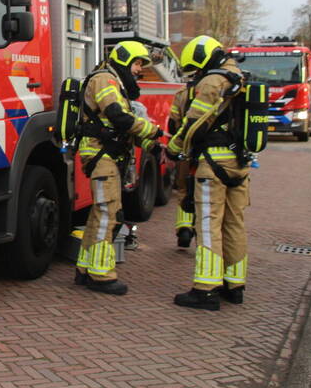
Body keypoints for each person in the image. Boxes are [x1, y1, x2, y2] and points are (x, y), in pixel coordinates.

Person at [166, 35, 250, 311]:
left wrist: (174, 147)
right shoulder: (239, 77)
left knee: (208, 224)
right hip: (239, 163)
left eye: (196, 68)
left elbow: (194, 122)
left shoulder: (213, 81)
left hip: (213, 164)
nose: (196, 75)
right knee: (234, 224)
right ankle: (234, 285)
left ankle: (205, 289)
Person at [74, 41, 163, 295]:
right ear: (124, 59)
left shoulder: (114, 81)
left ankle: (85, 269)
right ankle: (101, 275)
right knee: (107, 213)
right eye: (137, 63)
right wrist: (152, 131)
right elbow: (118, 117)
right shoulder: (105, 79)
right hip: (101, 154)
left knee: (99, 214)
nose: (139, 69)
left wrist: (152, 145)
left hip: (106, 154)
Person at [167, 72, 198, 248]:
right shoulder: (224, 89)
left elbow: (173, 123)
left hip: (187, 149)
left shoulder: (182, 93)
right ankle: (202, 230)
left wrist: (175, 146)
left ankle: (184, 228)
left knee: (184, 189)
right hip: (215, 153)